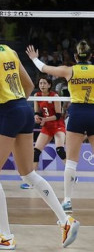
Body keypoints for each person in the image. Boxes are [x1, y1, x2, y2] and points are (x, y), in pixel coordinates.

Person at [0, 15, 77, 250]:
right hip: (23, 109)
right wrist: (17, 105)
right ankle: (65, 220)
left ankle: (5, 235)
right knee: (28, 174)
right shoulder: (10, 51)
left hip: (8, 112)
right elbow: (30, 85)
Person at [26, 42, 92, 213]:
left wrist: (34, 58)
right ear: (91, 56)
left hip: (77, 114)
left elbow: (45, 68)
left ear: (76, 57)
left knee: (71, 161)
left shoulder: (69, 70)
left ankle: (67, 201)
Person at [20, 76, 66, 190]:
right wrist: (36, 117)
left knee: (60, 150)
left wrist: (45, 119)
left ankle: (71, 175)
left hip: (58, 126)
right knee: (35, 152)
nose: (42, 85)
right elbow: (37, 112)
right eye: (40, 83)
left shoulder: (55, 96)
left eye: (44, 83)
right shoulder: (37, 96)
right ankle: (32, 182)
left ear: (49, 85)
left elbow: (58, 115)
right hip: (47, 127)